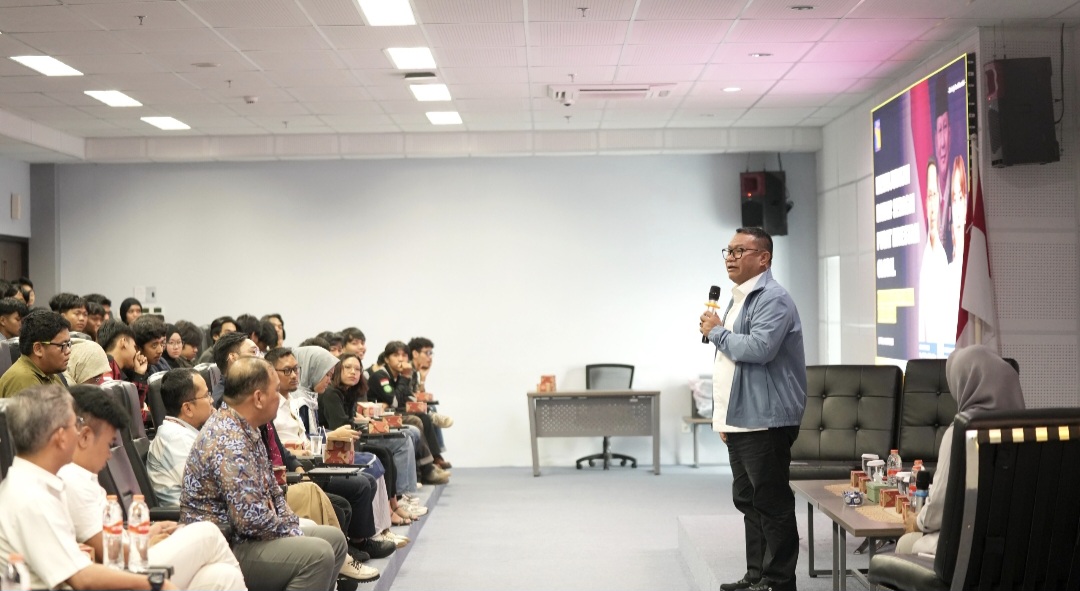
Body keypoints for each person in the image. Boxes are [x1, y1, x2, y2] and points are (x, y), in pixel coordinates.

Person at [180, 357, 349, 591]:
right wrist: (292, 532)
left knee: (335, 541)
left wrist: (290, 525)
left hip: (248, 537)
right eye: (276, 391)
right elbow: (249, 520)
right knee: (319, 554)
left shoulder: (247, 426)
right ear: (258, 398)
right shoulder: (229, 440)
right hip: (225, 546)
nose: (280, 398)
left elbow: (273, 492)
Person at [699, 226, 807, 591]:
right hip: (742, 419)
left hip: (766, 420)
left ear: (764, 258)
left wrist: (716, 332)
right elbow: (730, 365)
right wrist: (724, 418)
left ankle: (779, 581)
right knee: (748, 500)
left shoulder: (773, 298)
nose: (730, 257)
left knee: (771, 502)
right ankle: (757, 575)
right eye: (728, 251)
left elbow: (759, 349)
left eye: (738, 251)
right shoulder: (739, 299)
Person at [59, 384, 247, 591]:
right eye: (109, 444)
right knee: (208, 532)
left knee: (223, 576)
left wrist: (149, 533)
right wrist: (149, 541)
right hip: (121, 577)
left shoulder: (83, 477)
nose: (110, 454)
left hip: (130, 562)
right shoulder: (72, 479)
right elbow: (112, 555)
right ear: (85, 437)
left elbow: (112, 538)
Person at [0, 385, 178, 590]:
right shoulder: (31, 497)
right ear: (60, 437)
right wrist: (154, 583)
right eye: (75, 425)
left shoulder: (35, 485)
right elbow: (82, 578)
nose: (80, 433)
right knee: (204, 538)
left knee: (209, 573)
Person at [897, 345, 1025, 556]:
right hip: (1019, 551)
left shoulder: (960, 433)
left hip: (967, 553)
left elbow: (939, 506)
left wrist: (917, 522)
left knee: (904, 544)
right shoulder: (1032, 433)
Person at [370, 341, 452, 474]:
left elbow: (409, 398)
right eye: (396, 355)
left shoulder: (399, 376)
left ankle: (432, 462)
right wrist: (405, 377)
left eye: (404, 355)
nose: (401, 359)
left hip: (394, 412)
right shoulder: (381, 376)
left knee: (423, 416)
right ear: (386, 359)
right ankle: (427, 468)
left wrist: (406, 380)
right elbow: (395, 402)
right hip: (379, 418)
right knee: (416, 420)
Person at [147, 368, 214, 506]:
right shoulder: (177, 439)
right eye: (206, 395)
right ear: (187, 408)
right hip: (185, 516)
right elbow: (210, 489)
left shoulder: (182, 431)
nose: (211, 400)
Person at [0, 309, 71, 398]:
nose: (68, 351)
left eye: (68, 344)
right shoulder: (24, 379)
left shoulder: (49, 373)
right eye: (63, 345)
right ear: (38, 349)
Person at [918, 160, 951, 353]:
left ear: (940, 199)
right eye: (928, 195)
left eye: (935, 195)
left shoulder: (944, 258)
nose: (931, 204)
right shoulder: (924, 256)